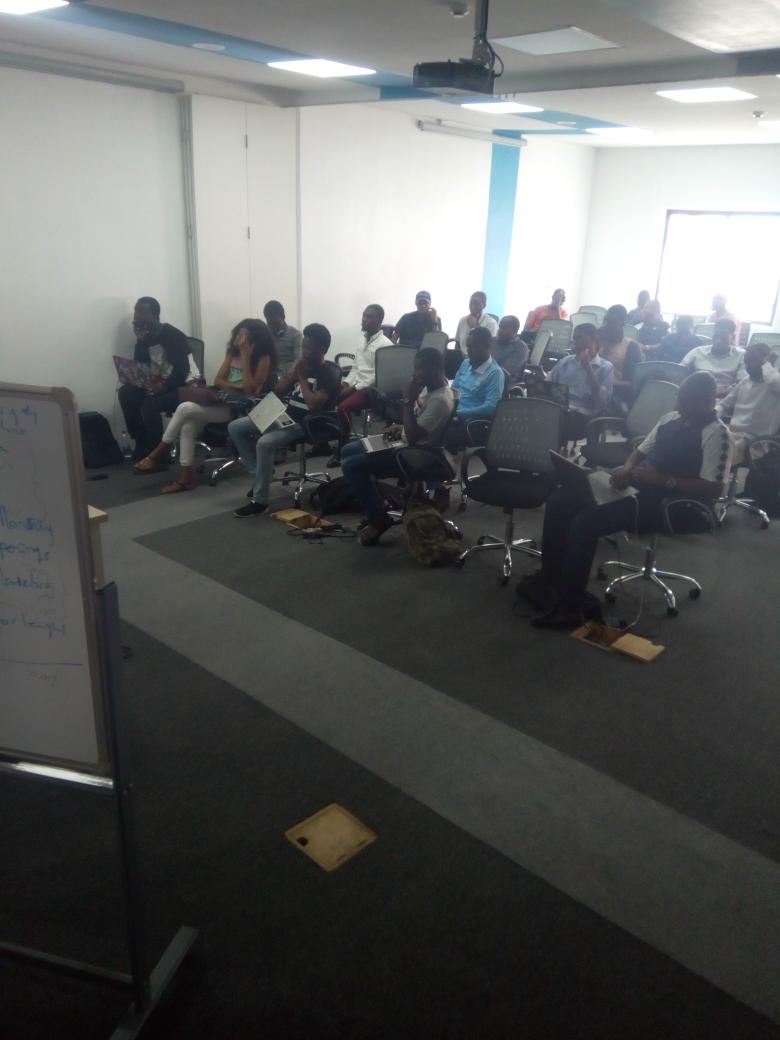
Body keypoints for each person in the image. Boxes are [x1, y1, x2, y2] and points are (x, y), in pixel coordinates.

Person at [532, 372, 732, 629]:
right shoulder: (671, 419)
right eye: (679, 396)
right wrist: (626, 468)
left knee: (586, 522)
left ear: (706, 401)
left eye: (684, 399)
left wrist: (660, 480)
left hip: (676, 504)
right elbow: (639, 451)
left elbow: (713, 488)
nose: (678, 403)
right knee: (561, 501)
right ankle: (551, 579)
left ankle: (569, 608)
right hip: (642, 486)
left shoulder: (717, 434)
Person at [132, 319, 277, 492]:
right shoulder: (232, 353)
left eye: (244, 336)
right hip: (220, 401)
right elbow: (218, 380)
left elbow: (249, 390)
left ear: (254, 339)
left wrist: (245, 357)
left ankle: (156, 454)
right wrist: (235, 385)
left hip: (237, 409)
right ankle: (185, 478)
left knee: (185, 408)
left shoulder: (263, 358)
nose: (239, 339)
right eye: (238, 334)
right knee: (188, 425)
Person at [340, 348, 454, 545]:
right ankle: (378, 502)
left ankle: (379, 519)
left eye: (419, 368)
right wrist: (400, 427)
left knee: (351, 465)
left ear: (435, 368)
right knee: (347, 450)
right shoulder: (430, 389)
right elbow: (420, 424)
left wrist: (408, 401)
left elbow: (414, 438)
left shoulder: (440, 400)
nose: (415, 373)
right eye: (415, 368)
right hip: (405, 442)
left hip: (414, 455)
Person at [228, 323, 340, 517]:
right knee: (235, 427)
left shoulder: (327, 373)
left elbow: (313, 405)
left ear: (322, 349)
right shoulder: (302, 366)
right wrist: (293, 375)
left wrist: (302, 378)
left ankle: (260, 501)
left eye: (309, 347)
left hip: (304, 422)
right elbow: (278, 391)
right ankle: (259, 474)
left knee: (264, 443)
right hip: (283, 412)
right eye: (303, 346)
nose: (304, 351)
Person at [118, 297, 191, 461]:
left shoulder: (172, 335)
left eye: (141, 312)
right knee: (126, 393)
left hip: (178, 385)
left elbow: (182, 371)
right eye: (136, 311)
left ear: (155, 315)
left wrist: (164, 386)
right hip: (155, 383)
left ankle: (158, 455)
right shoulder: (145, 336)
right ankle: (141, 442)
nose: (137, 316)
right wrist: (141, 341)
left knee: (149, 403)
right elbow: (141, 367)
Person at [334, 304, 393, 450]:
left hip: (371, 390)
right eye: (364, 315)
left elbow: (377, 375)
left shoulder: (385, 345)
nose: (364, 319)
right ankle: (324, 443)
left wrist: (354, 388)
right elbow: (356, 367)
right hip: (356, 385)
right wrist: (347, 383)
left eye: (369, 317)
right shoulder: (362, 340)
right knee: (328, 396)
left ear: (379, 321)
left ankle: (343, 445)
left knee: (343, 408)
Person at [547, 323, 613, 441]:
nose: (575, 342)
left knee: (555, 424)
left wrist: (588, 368)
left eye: (579, 338)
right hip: (559, 407)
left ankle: (551, 450)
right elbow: (548, 383)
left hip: (583, 414)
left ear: (592, 339)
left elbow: (602, 402)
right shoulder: (566, 361)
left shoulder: (605, 367)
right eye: (574, 338)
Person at [444, 327, 505, 449]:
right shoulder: (465, 363)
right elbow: (453, 390)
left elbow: (491, 407)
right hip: (452, 414)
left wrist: (458, 413)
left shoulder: (495, 373)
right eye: (468, 347)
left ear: (487, 346)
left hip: (469, 422)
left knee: (433, 434)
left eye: (473, 347)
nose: (468, 351)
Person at [718, 343, 780, 463]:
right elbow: (724, 404)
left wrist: (767, 364)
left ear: (765, 362)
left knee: (716, 457)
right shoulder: (745, 381)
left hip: (755, 443)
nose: (747, 366)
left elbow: (773, 380)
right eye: (746, 362)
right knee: (700, 443)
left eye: (752, 361)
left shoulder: (775, 384)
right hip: (732, 434)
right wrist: (713, 413)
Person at [682, 319, 745, 396]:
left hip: (724, 397)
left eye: (723, 338)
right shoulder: (698, 351)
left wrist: (716, 393)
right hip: (695, 393)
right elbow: (679, 370)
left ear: (733, 338)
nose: (718, 341)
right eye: (716, 337)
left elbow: (742, 384)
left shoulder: (740, 355)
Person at [597, 304, 642, 396]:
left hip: (616, 393)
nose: (606, 326)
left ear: (622, 323)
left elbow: (632, 383)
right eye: (605, 321)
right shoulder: (598, 339)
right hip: (592, 387)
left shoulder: (631, 347)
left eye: (611, 322)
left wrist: (606, 383)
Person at [263, 300, 302, 374]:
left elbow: (299, 360)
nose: (272, 326)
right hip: (268, 374)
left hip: (288, 375)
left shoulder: (296, 335)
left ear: (283, 317)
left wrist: (287, 375)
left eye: (275, 323)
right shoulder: (264, 334)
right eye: (269, 322)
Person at [491, 315, 529, 384]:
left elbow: (506, 371)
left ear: (515, 330)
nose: (500, 330)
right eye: (500, 327)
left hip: (501, 381)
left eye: (503, 328)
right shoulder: (492, 340)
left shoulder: (521, 347)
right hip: (482, 375)